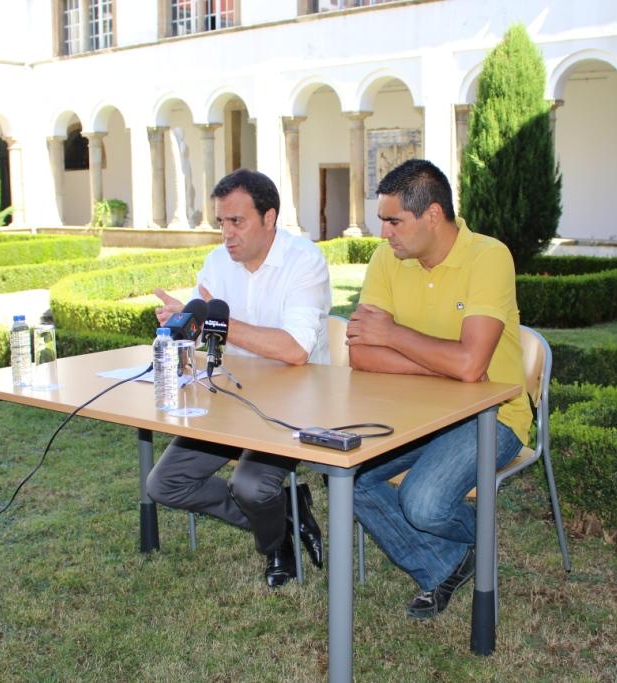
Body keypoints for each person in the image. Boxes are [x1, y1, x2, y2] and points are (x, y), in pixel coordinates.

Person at [345, 158, 532, 618]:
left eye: (393, 221)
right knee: (350, 476)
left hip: (494, 416)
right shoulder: (387, 259)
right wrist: (443, 366)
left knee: (423, 504)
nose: (383, 233)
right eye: (382, 221)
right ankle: (449, 560)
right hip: (416, 414)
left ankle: (455, 549)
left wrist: (394, 337)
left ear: (431, 215)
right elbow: (360, 355)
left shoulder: (489, 256)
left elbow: (472, 368)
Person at [146, 168, 331, 588]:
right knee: (165, 483)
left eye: (237, 221)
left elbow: (295, 351)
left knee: (250, 486)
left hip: (299, 401)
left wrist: (223, 325)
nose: (227, 234)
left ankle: (275, 546)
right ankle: (284, 516)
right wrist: (185, 322)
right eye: (221, 223)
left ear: (270, 218)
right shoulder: (217, 263)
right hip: (232, 396)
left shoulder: (304, 262)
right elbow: (206, 342)